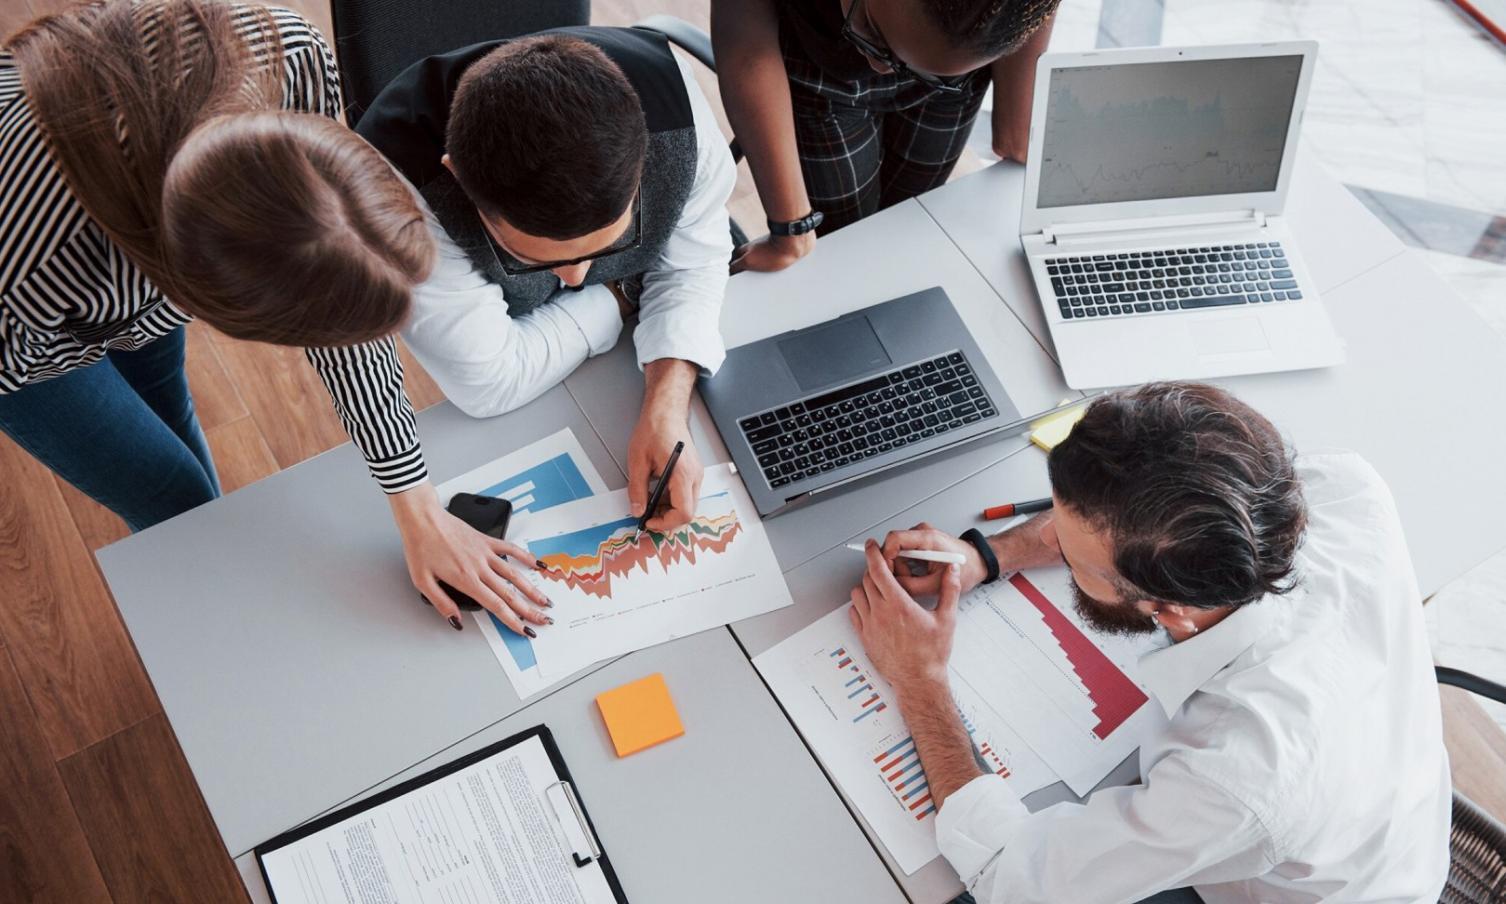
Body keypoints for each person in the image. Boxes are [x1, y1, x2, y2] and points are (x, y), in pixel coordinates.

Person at [0, 0, 551, 636]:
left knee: (164, 394)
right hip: (22, 342)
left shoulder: (287, 55)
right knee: (172, 496)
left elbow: (334, 277)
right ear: (222, 309)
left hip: (120, 260)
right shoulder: (35, 267)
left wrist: (416, 502)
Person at [849, 383, 1450, 902]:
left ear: (1170, 611)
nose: (1053, 539)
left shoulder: (1235, 779)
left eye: (1076, 557)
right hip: (1377, 790)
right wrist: (991, 554)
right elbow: (1144, 504)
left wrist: (919, 681)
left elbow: (1013, 878)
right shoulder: (1340, 488)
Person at [356, 29, 734, 538]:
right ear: (459, 178)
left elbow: (696, 264)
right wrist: (626, 291)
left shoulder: (680, 113)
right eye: (533, 256)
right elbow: (490, 382)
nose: (580, 276)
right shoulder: (395, 195)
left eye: (607, 246)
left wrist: (666, 406)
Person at [713, 0, 1060, 274]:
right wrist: (792, 229)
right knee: (847, 245)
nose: (881, 68)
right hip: (820, 71)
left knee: (905, 228)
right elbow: (745, 47)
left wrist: (1020, 122)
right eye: (871, 30)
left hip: (949, 86)